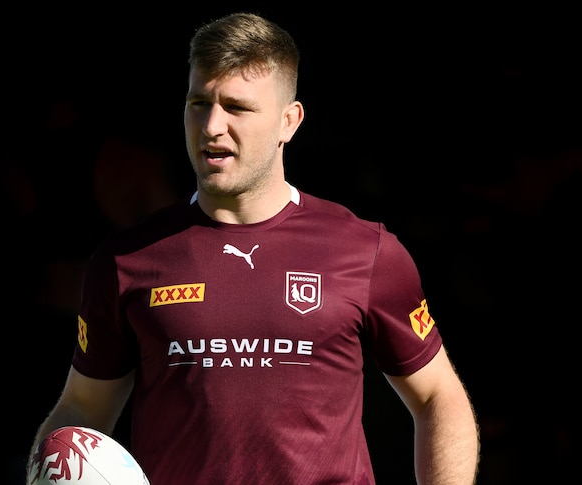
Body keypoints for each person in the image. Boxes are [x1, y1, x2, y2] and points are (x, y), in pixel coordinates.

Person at [27, 12, 479, 484]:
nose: (212, 125)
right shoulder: (127, 260)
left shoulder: (366, 251)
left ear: (289, 121)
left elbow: (437, 397)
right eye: (199, 103)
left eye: (237, 107)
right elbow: (81, 409)